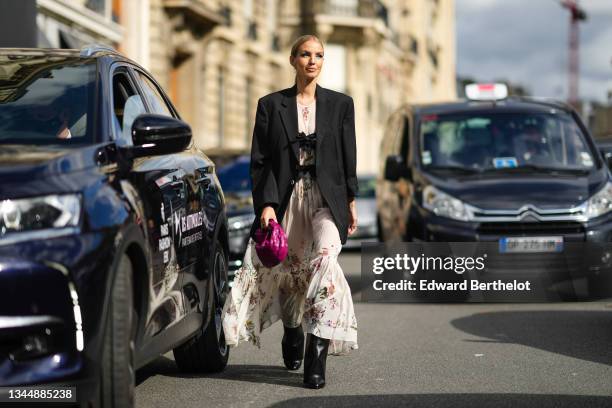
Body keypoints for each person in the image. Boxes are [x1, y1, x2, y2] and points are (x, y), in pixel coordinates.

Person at [221, 34, 359, 389]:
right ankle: (293, 330)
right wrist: (266, 206)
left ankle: (316, 356)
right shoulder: (271, 105)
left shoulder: (341, 105)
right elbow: (261, 162)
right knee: (289, 275)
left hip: (327, 201)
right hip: (287, 199)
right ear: (293, 59)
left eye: (319, 55)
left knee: (325, 265)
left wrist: (351, 201)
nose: (312, 61)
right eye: (305, 55)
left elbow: (347, 159)